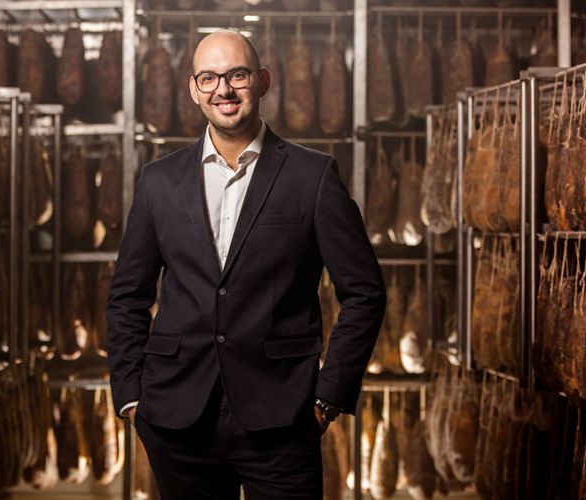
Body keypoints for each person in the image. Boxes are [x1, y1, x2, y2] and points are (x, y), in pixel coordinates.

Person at [106, 29, 385, 499]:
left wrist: (327, 398)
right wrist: (132, 397)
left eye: (237, 74)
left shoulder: (312, 176)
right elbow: (127, 296)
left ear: (262, 81)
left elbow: (364, 292)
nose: (224, 89)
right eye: (209, 78)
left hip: (284, 419)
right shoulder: (158, 181)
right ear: (194, 89)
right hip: (177, 419)